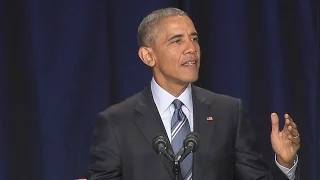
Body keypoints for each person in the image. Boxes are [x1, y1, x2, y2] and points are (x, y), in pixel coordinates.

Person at [86, 7, 300, 180]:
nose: (191, 48)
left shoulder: (228, 112)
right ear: (148, 56)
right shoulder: (116, 122)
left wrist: (285, 163)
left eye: (194, 38)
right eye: (177, 40)